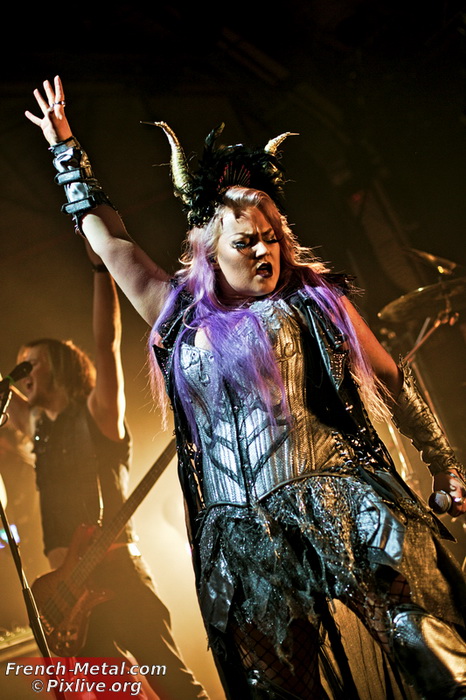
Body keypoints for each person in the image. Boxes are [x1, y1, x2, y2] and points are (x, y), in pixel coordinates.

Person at [25, 76, 466, 700]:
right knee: (275, 689)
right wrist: (65, 149)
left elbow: (392, 376)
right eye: (246, 242)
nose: (265, 251)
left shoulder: (311, 299)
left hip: (338, 500)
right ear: (209, 250)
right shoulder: (174, 311)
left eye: (273, 238)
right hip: (240, 540)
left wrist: (444, 464)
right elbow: (111, 239)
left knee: (424, 641)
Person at [4, 238, 209, 699]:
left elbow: (106, 343)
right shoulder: (41, 434)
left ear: (58, 366)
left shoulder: (98, 414)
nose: (21, 374)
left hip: (116, 575)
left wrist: (101, 271)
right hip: (68, 599)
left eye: (29, 363)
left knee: (175, 687)